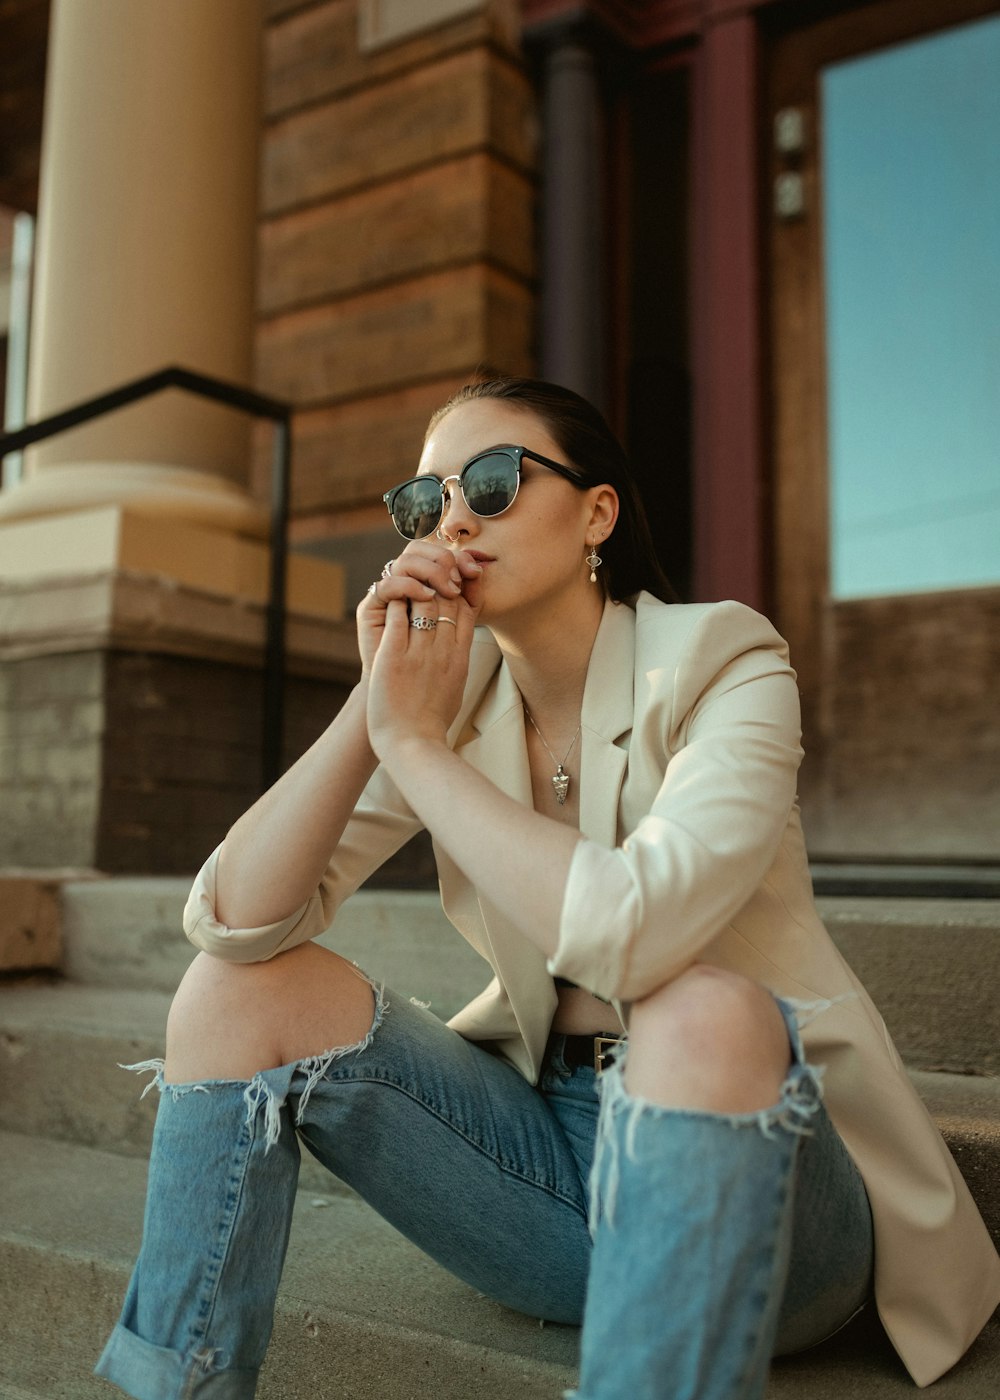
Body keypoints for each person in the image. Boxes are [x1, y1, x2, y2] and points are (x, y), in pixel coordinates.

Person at [97, 377, 999, 1400]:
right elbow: (231, 916)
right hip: (552, 1170)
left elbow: (635, 934)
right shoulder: (450, 701)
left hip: (763, 1178)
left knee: (699, 1008)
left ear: (596, 514)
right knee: (230, 989)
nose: (456, 519)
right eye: (426, 501)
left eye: (492, 481)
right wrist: (373, 705)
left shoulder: (722, 660)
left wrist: (415, 748)